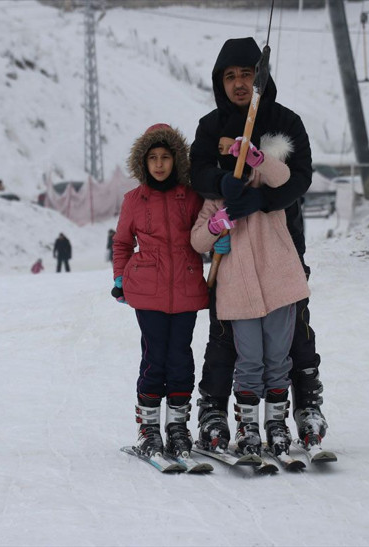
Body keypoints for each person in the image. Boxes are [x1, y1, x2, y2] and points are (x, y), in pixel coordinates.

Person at [189, 36, 328, 451]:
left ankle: (306, 405)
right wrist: (223, 185)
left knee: (293, 329)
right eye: (230, 76)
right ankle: (214, 408)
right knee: (226, 329)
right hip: (230, 250)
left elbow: (300, 176)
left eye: (246, 74)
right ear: (220, 82)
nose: (238, 83)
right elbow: (196, 171)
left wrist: (262, 201)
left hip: (281, 242)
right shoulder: (210, 126)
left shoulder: (287, 121)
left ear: (260, 78)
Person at [190, 135, 310, 457]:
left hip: (279, 285)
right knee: (250, 360)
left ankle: (276, 424)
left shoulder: (268, 186)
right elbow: (197, 241)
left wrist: (258, 159)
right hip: (238, 291)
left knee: (278, 360)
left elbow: (284, 177)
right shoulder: (217, 198)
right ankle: (248, 425)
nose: (237, 163)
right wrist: (215, 227)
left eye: (241, 155)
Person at [112, 123, 209, 458]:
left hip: (185, 288)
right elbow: (123, 243)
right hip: (148, 291)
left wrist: (216, 235)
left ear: (175, 159)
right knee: (155, 359)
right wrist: (119, 278)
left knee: (181, 359)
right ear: (143, 162)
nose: (159, 164)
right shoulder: (133, 200)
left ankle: (178, 429)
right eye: (152, 157)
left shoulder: (192, 196)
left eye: (165, 157)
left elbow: (202, 235)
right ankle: (149, 431)